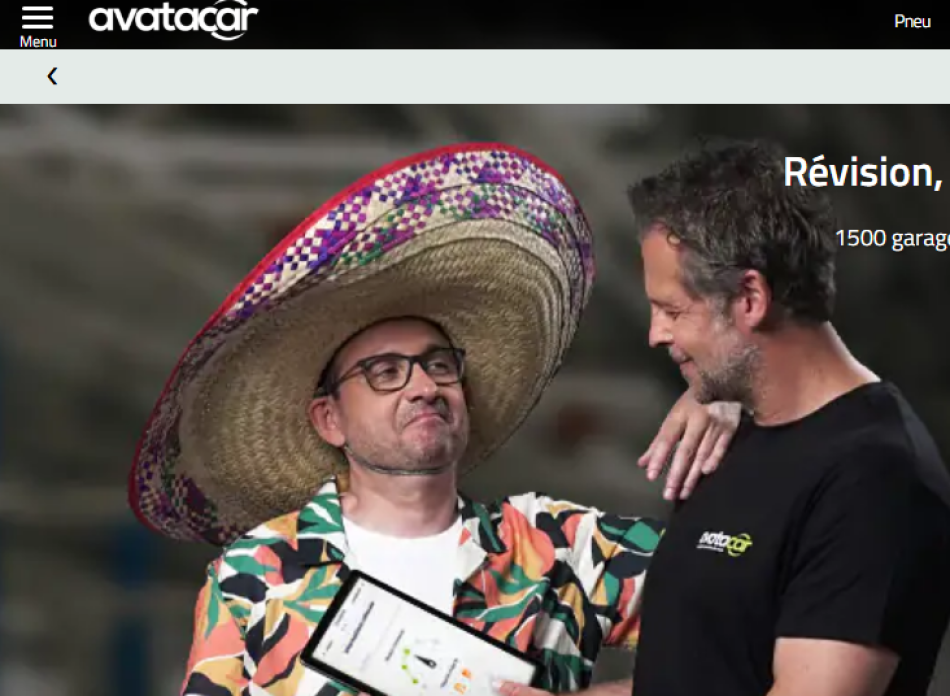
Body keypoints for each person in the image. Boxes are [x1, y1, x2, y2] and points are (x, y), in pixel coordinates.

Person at [128, 143, 740, 696]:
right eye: (385, 373)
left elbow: (757, 612)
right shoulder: (256, 573)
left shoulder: (558, 547)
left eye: (439, 365)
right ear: (329, 419)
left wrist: (733, 394)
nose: (423, 386)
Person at [621, 139, 950, 696]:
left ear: (750, 298)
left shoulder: (877, 481)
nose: (656, 333)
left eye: (672, 310)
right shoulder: (729, 431)